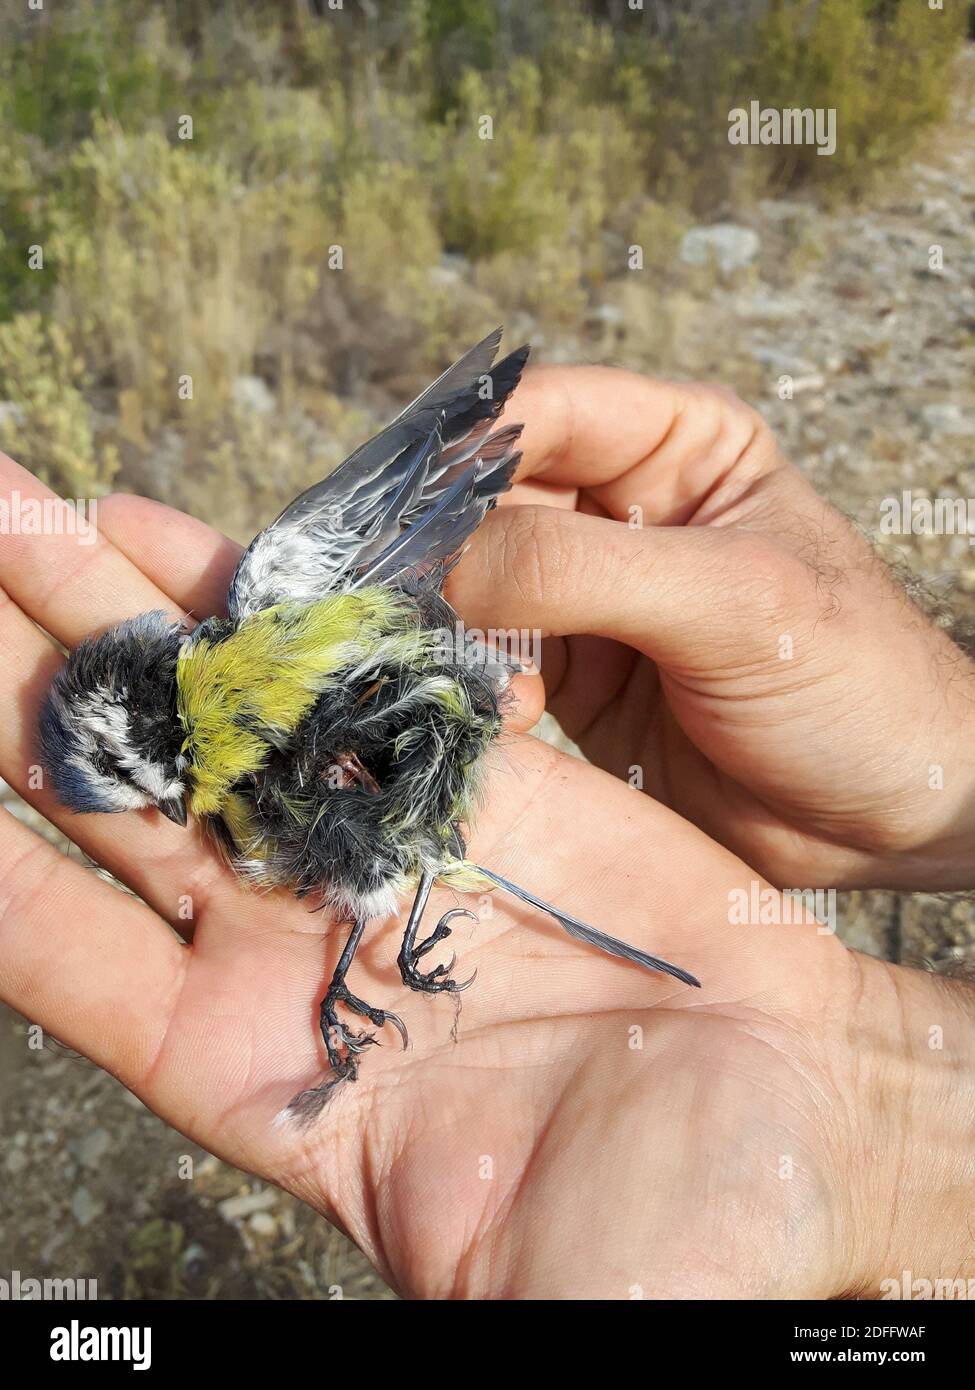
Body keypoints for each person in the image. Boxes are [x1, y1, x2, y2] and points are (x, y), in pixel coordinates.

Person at [0, 366, 973, 1300]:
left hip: (410, 803)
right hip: (396, 844)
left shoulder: (263, 631)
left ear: (152, 711)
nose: (164, 812)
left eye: (144, 779)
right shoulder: (239, 754)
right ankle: (386, 942)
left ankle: (389, 935)